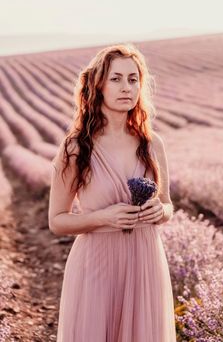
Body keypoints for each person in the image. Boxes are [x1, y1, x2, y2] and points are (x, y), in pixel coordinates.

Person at [48, 43, 176, 342]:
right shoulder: (76, 148)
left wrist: (161, 211)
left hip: (145, 263)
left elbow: (168, 205)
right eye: (116, 78)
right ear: (99, 85)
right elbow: (57, 221)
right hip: (97, 265)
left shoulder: (152, 144)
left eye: (133, 79)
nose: (126, 87)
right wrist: (102, 217)